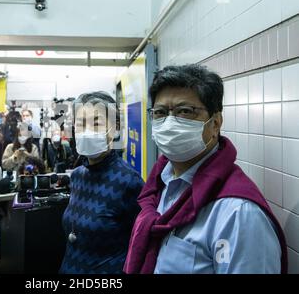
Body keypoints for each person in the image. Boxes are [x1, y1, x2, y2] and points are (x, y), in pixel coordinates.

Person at [124, 64, 288, 274]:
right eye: (161, 113)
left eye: (185, 111)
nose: (170, 122)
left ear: (216, 123)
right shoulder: (160, 183)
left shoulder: (238, 214)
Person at [59, 92, 143, 274]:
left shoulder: (129, 181)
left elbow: (140, 245)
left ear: (115, 128)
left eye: (96, 123)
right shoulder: (78, 176)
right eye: (81, 124)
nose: (87, 131)